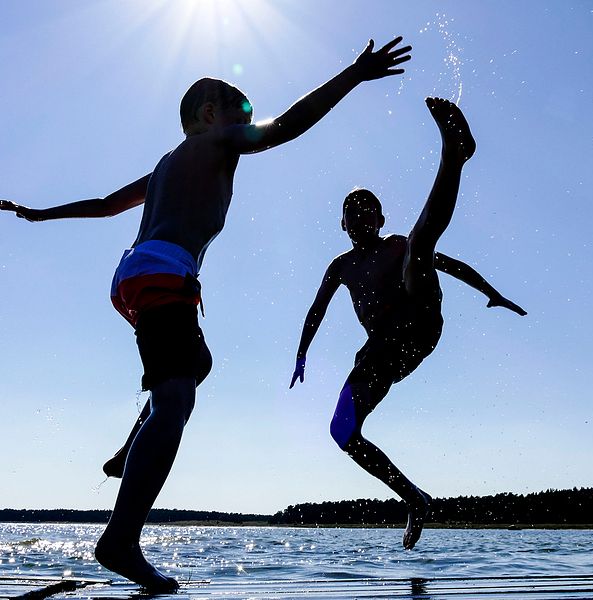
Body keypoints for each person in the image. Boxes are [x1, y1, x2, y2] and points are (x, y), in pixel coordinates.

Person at [0, 37, 411, 591]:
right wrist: (353, 74)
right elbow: (287, 126)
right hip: (164, 274)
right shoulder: (217, 140)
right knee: (176, 400)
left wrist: (38, 214)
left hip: (135, 278)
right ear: (210, 115)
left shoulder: (166, 167)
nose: (246, 127)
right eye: (241, 113)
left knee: (196, 363)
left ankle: (133, 446)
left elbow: (103, 206)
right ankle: (120, 540)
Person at [289, 97, 526, 551]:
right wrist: (302, 352)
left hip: (420, 318)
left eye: (368, 211)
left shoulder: (396, 244)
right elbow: (316, 310)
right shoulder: (339, 265)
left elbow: (449, 263)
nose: (360, 217)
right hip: (382, 347)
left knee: (418, 245)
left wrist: (490, 292)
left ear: (379, 219)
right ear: (342, 223)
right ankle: (415, 498)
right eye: (351, 212)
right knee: (342, 432)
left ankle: (455, 156)